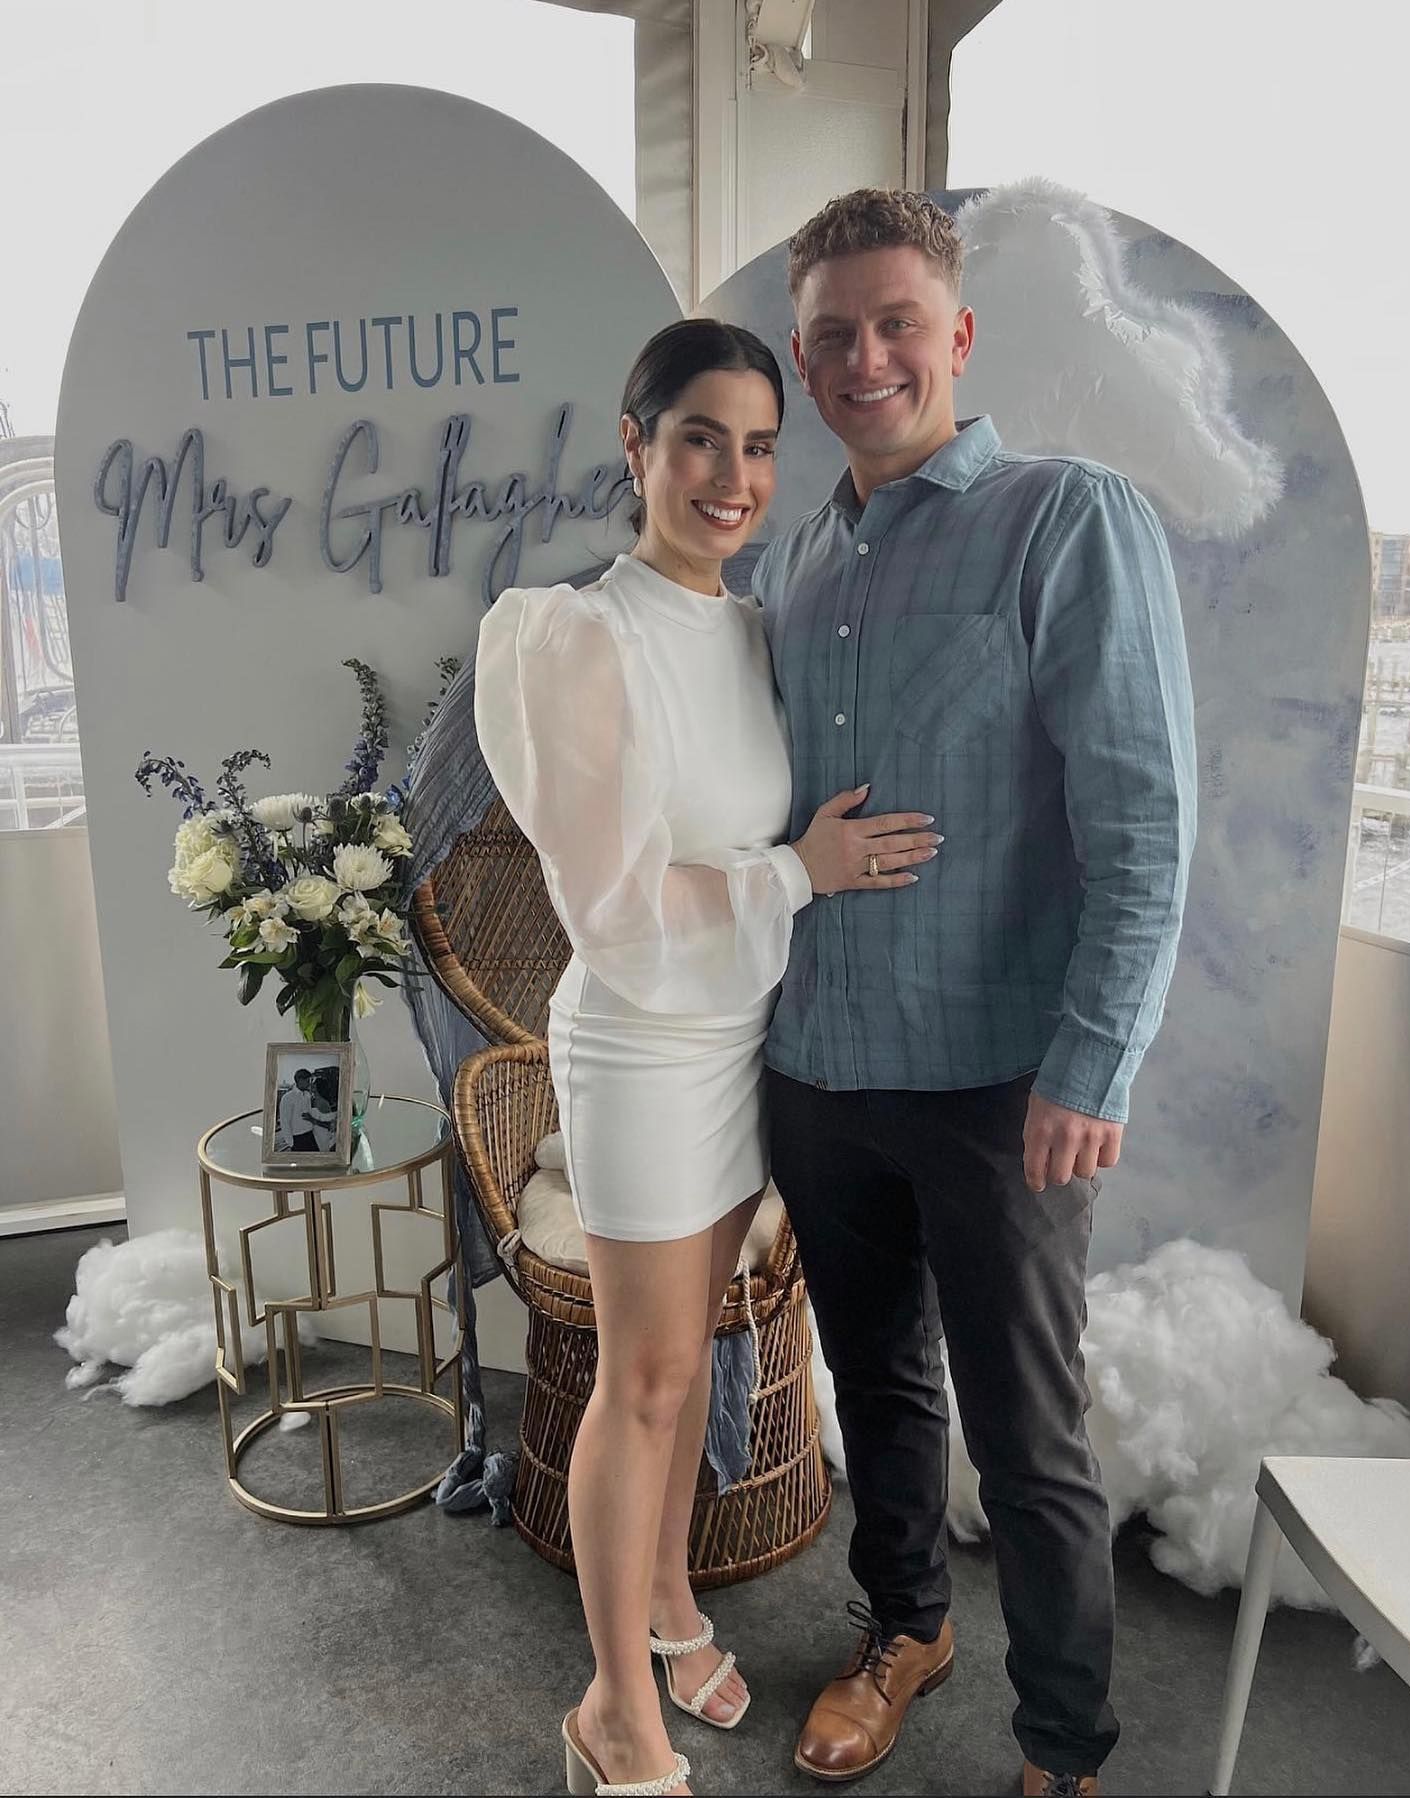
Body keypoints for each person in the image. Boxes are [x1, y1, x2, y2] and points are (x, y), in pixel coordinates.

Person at [751, 190, 1197, 1798]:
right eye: (832, 336)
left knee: (1030, 1439)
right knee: (873, 1383)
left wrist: (1096, 1057)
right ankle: (903, 1627)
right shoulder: (797, 559)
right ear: (805, 365)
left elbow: (1143, 813)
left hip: (1002, 1075)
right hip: (819, 1066)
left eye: (892, 322)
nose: (864, 357)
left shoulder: (1065, 517)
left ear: (956, 333)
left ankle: (1064, 1748)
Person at [473, 318, 940, 1798]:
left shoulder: (748, 627)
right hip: (648, 1044)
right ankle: (617, 1709)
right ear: (635, 444)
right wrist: (805, 873)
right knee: (654, 1374)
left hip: (747, 1037)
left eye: (756, 444)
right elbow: (610, 910)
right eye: (698, 439)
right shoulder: (581, 636)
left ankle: (672, 1597)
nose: (733, 475)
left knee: (701, 1353)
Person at [275, 1068, 318, 1152]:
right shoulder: (288, 1098)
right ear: (300, 1080)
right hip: (298, 1139)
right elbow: (285, 1122)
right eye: (307, 1080)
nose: (309, 1083)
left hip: (310, 1136)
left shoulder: (307, 1095)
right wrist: (291, 1143)